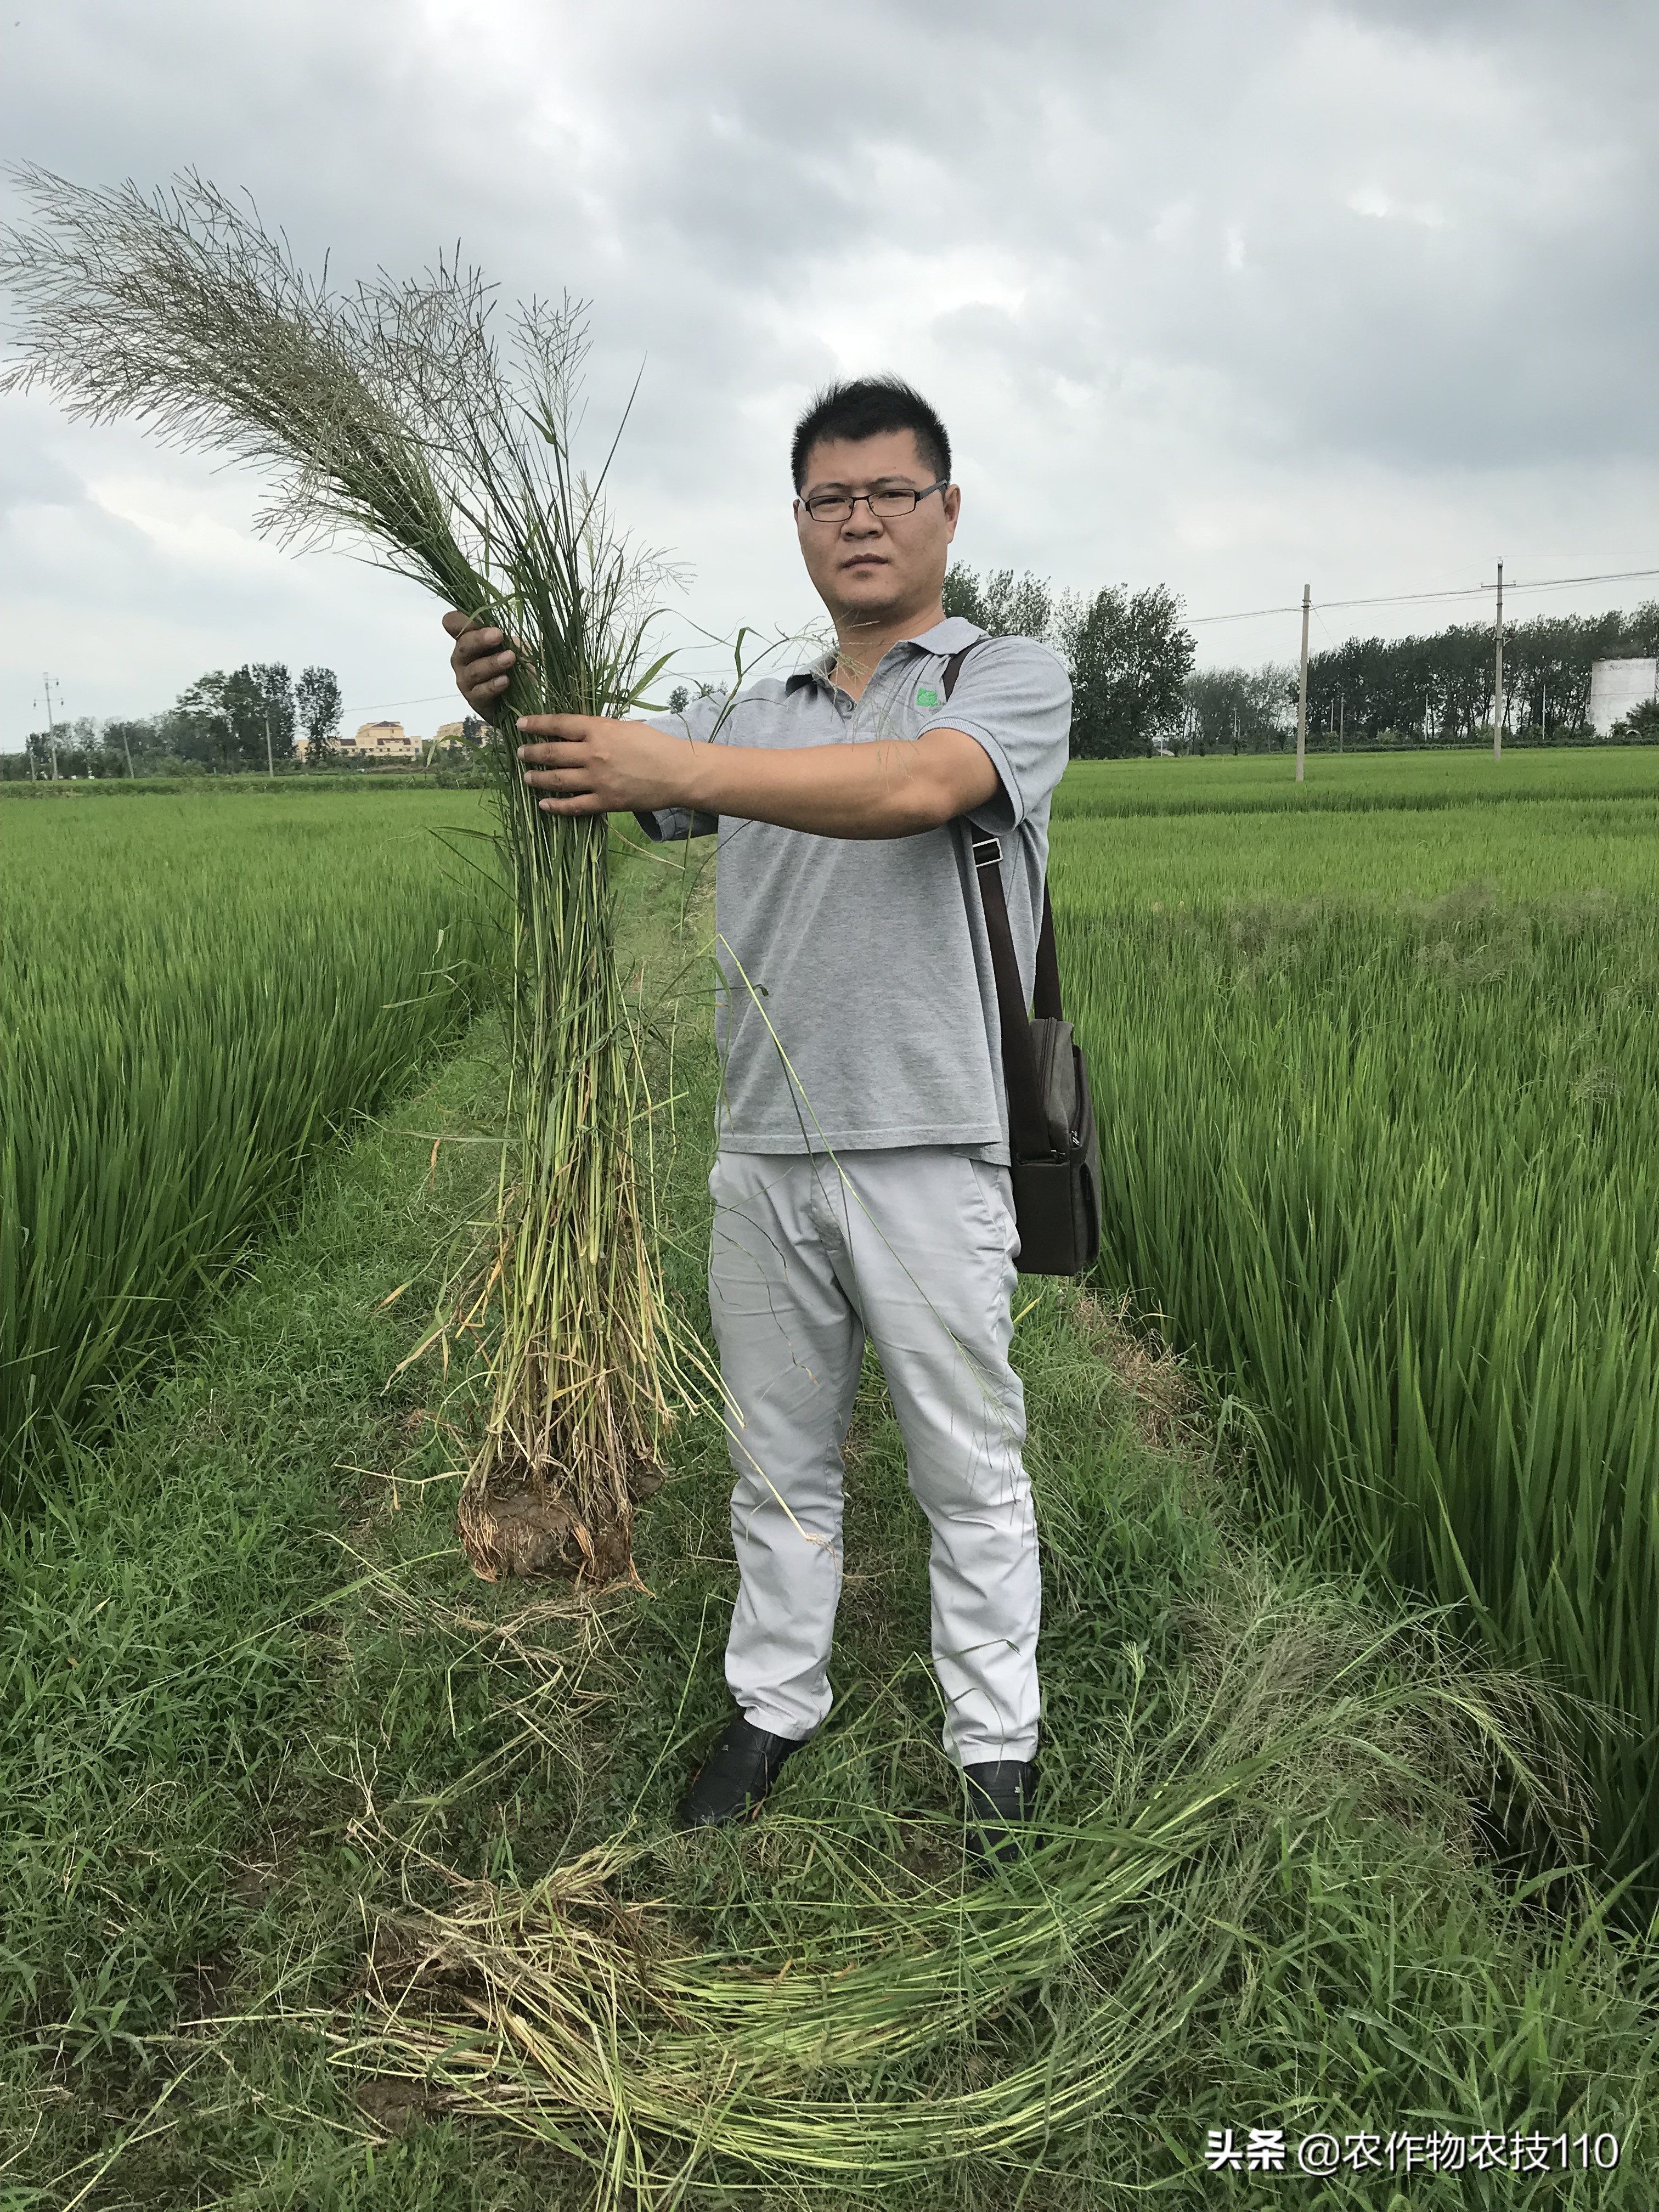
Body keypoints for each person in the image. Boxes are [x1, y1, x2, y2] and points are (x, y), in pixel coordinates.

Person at [444, 376, 1071, 1858]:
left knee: (963, 1463)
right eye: (829, 499)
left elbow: (920, 789)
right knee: (778, 1459)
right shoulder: (754, 708)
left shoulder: (1004, 679)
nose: (860, 521)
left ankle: (995, 1745)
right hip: (765, 1154)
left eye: (890, 495)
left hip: (931, 1142)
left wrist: (688, 768)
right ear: (798, 522)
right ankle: (775, 1703)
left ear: (947, 513)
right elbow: (593, 773)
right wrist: (508, 703)